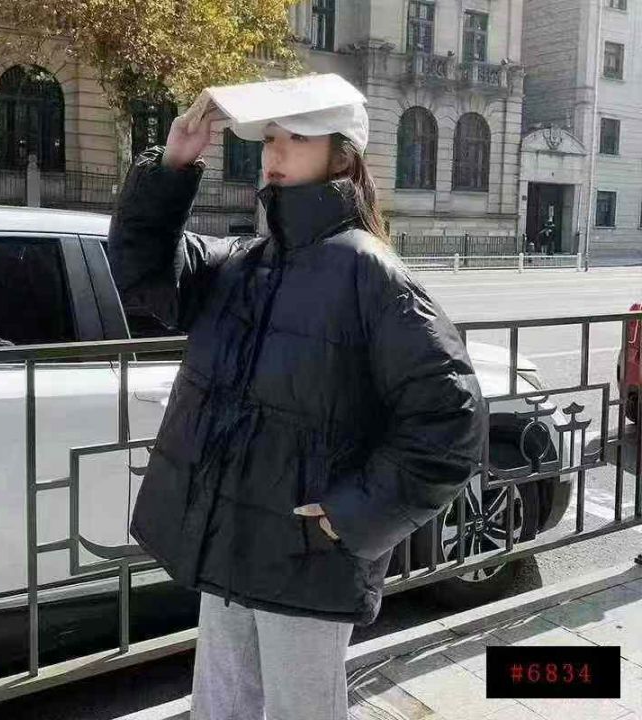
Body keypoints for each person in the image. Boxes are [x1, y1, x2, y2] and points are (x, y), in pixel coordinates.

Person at [108, 74, 485, 720]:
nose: (274, 153)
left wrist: (353, 515)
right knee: (220, 708)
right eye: (269, 139)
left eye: (295, 139)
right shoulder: (246, 263)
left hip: (307, 557)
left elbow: (452, 420)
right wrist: (172, 165)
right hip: (229, 543)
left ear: (342, 156)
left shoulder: (370, 273)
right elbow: (141, 274)